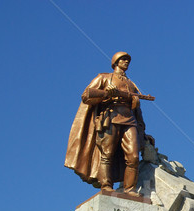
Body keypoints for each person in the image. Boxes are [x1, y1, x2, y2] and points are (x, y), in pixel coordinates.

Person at [65, 51, 154, 195]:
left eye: (127, 60)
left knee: (134, 156)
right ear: (116, 62)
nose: (126, 62)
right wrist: (106, 92)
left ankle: (130, 190)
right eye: (123, 59)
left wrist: (135, 106)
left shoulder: (131, 84)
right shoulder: (104, 77)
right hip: (110, 118)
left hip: (129, 120)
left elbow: (138, 112)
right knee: (107, 154)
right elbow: (86, 95)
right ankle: (106, 186)